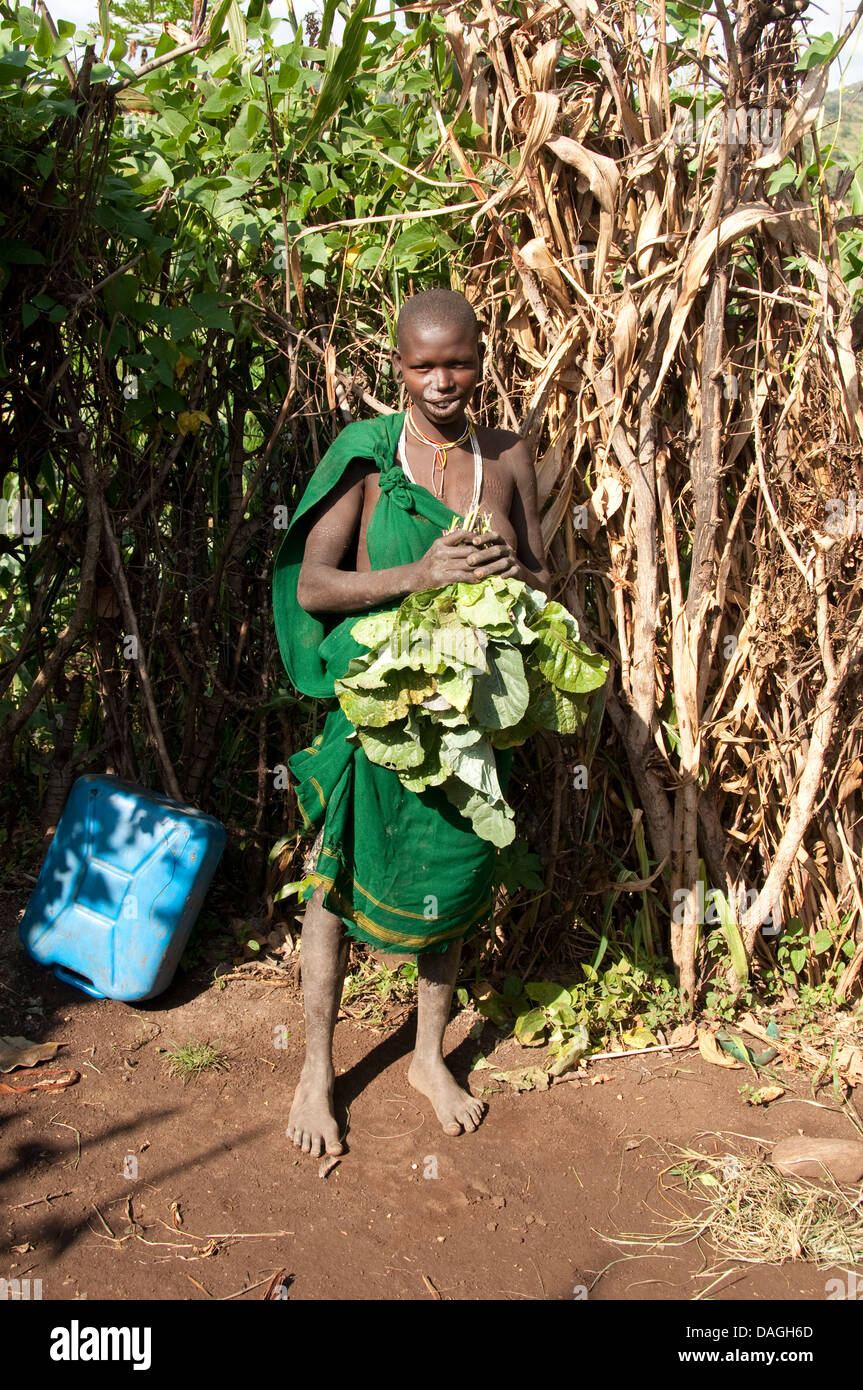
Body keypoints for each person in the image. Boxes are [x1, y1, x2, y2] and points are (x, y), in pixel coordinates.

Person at [272, 288, 549, 1157]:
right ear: (397, 368)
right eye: (423, 365)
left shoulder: (504, 458)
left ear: (480, 358)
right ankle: (317, 1069)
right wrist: (419, 577)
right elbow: (314, 585)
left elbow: (542, 580)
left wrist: (513, 575)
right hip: (377, 710)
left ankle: (429, 1057)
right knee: (337, 882)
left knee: (457, 882)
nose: (442, 381)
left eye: (457, 362)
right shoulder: (365, 455)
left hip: (464, 716)